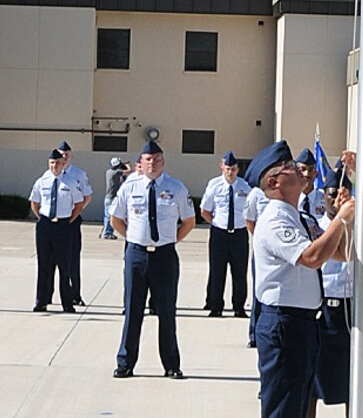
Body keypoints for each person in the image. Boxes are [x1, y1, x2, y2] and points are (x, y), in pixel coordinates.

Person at [248, 138, 354, 418]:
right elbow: (310, 258)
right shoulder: (276, 218)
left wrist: (344, 219)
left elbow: (335, 253)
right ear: (275, 181)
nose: (302, 171)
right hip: (283, 325)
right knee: (281, 416)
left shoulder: (298, 216)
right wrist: (342, 218)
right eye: (292, 168)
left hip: (302, 325)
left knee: (292, 416)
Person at [109, 140, 195, 377]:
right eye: (148, 159)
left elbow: (189, 221)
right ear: (141, 163)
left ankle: (171, 365)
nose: (153, 163)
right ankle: (125, 363)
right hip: (136, 255)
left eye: (157, 159)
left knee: (167, 311)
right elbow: (115, 218)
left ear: (163, 162)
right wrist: (134, 238)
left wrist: (171, 240)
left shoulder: (176, 188)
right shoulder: (129, 187)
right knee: (133, 310)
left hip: (165, 257)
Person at [298, 162, 355, 418]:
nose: (337, 198)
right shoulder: (313, 225)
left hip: (347, 313)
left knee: (353, 390)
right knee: (310, 391)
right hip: (319, 311)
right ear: (325, 196)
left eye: (343, 193)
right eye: (333, 193)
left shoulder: (359, 227)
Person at [29, 149, 90, 312]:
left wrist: (69, 220)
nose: (55, 166)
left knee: (65, 266)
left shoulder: (70, 182)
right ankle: (41, 301)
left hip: (63, 226)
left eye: (58, 163)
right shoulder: (41, 181)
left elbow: (79, 204)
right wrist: (42, 218)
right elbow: (35, 203)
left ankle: (67, 303)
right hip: (45, 226)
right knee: (44, 265)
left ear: (63, 164)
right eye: (52, 163)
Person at [200, 152, 252, 317]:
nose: (230, 172)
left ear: (238, 169)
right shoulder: (214, 185)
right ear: (222, 167)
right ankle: (215, 306)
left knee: (239, 272)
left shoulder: (245, 187)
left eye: (234, 169)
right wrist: (217, 223)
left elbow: (251, 211)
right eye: (228, 169)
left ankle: (239, 307)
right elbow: (205, 211)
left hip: (239, 234)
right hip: (219, 234)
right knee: (217, 271)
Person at [54, 142, 92, 307]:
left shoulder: (79, 174)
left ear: (71, 156)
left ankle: (75, 294)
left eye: (67, 154)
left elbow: (87, 197)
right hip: (53, 222)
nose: (64, 157)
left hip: (71, 221)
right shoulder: (49, 174)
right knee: (49, 261)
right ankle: (47, 295)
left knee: (73, 259)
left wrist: (73, 214)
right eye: (62, 154)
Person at [244, 177, 269, 348]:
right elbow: (249, 221)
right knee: (259, 292)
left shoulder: (288, 193)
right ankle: (254, 334)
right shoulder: (256, 194)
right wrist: (261, 240)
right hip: (263, 251)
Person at [102, 157, 128, 240]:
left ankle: (106, 232)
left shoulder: (108, 172)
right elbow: (128, 171)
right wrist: (127, 165)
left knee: (107, 216)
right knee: (111, 216)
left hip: (108, 197)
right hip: (112, 198)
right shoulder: (116, 172)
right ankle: (107, 233)